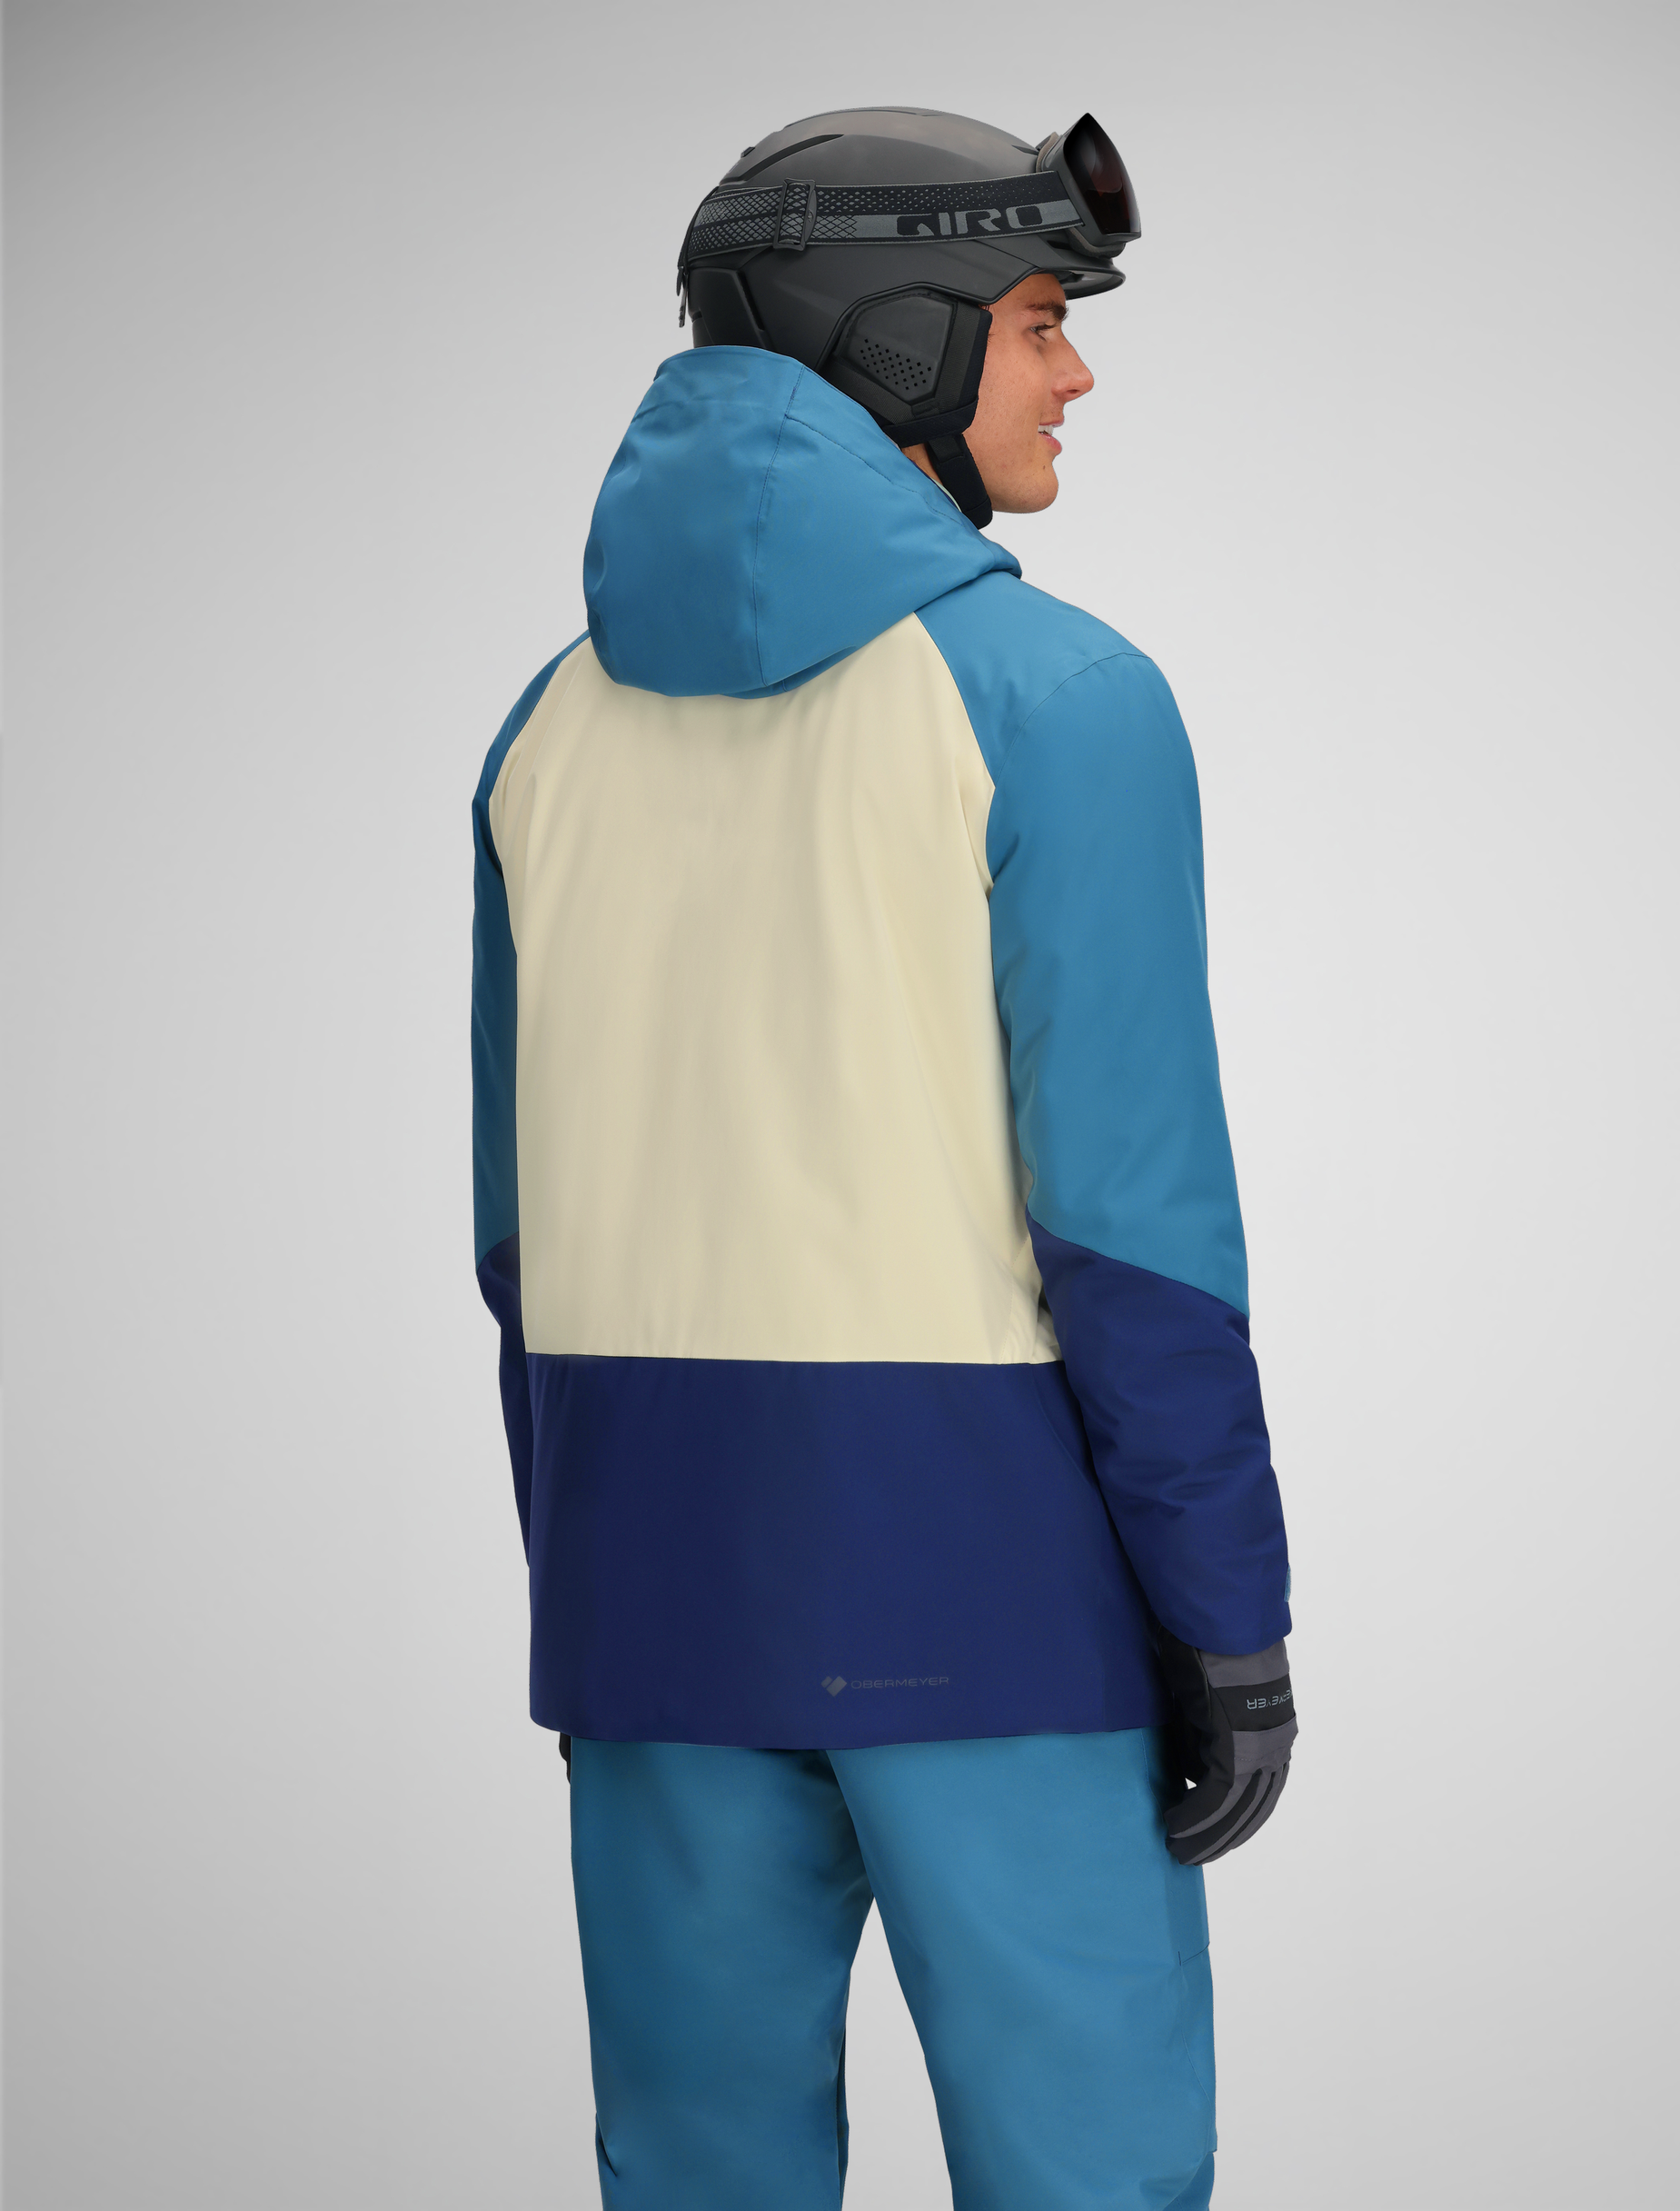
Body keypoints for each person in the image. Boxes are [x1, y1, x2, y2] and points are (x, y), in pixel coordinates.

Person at [472, 105, 1296, 2211]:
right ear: (897, 336)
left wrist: (598, 1576)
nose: (1074, 374)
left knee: (697, 2177)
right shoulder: (1060, 699)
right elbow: (1135, 1236)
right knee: (1089, 2178)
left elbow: (514, 1237)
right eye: (1036, 320)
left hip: (650, 1594)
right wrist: (1226, 1627)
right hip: (991, 1599)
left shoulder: (544, 728)